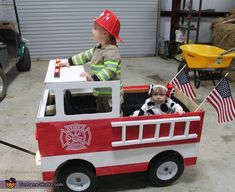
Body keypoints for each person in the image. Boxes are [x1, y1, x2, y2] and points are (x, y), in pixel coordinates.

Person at [59, 9, 123, 113]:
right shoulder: (97, 48)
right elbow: (84, 56)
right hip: (100, 92)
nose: (91, 31)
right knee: (101, 115)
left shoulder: (112, 51)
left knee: (112, 117)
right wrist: (69, 62)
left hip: (111, 96)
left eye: (94, 28)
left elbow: (110, 70)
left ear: (104, 33)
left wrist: (93, 78)